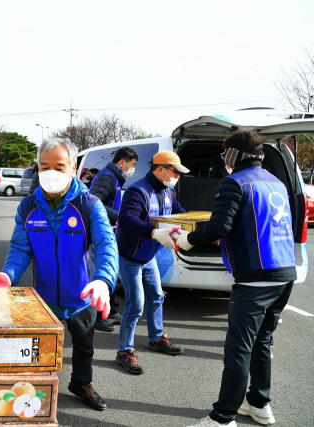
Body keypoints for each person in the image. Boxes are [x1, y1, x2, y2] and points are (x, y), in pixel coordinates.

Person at [0, 137, 119, 411]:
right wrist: (9, 275)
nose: (51, 173)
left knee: (84, 346)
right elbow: (21, 248)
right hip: (43, 298)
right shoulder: (28, 207)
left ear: (73, 167)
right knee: (42, 350)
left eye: (59, 166)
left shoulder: (89, 205)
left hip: (82, 295)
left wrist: (104, 280)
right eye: (44, 166)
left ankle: (81, 383)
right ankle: (38, 393)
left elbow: (107, 244)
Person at [180, 131, 296, 427]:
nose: (224, 159)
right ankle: (259, 404)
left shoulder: (234, 182)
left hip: (256, 278)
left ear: (236, 155)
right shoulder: (277, 182)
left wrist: (188, 240)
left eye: (226, 153)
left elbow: (219, 225)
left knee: (239, 349)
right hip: (284, 274)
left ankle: (222, 418)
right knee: (262, 343)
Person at [114, 151, 188, 375]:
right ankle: (124, 351)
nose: (177, 176)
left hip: (149, 257)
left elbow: (179, 212)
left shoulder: (167, 192)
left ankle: (156, 338)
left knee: (156, 296)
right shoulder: (138, 190)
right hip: (130, 258)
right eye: (175, 172)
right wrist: (155, 233)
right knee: (136, 305)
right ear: (161, 169)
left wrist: (190, 224)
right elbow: (126, 219)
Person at [89, 147, 139, 332]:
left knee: (107, 270)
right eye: (132, 165)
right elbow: (95, 202)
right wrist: (120, 217)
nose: (132, 169)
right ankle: (96, 317)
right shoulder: (108, 177)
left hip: (106, 230)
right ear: (122, 163)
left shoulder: (113, 176)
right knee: (99, 272)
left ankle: (106, 311)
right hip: (100, 232)